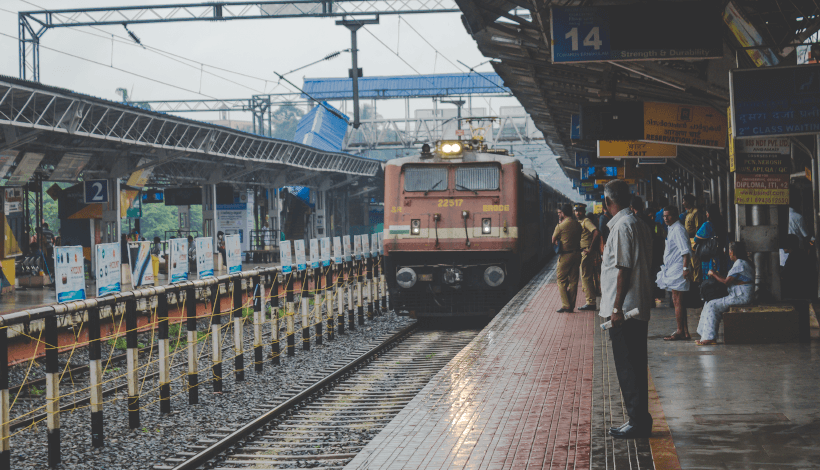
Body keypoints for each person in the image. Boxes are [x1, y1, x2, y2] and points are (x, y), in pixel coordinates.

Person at [599, 179, 654, 439]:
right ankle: (640, 418)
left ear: (608, 202)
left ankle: (637, 421)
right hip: (637, 306)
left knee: (628, 366)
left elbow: (624, 269)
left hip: (626, 312)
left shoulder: (622, 227)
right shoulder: (638, 224)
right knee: (636, 364)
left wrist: (617, 308)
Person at [696, 241, 754, 346]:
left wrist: (713, 273)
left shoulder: (740, 263)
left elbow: (726, 281)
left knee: (713, 305)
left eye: (729, 251)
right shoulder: (742, 262)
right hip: (738, 294)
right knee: (708, 302)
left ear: (732, 252)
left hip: (741, 296)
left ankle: (709, 337)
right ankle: (704, 334)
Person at [657, 205, 693, 341]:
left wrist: (685, 269)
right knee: (679, 301)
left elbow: (685, 250)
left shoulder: (678, 229)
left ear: (676, 215)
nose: (666, 218)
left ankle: (680, 331)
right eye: (664, 216)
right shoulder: (672, 228)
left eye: (669, 215)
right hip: (673, 268)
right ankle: (684, 331)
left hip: (678, 269)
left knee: (677, 301)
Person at [552, 203, 582, 313]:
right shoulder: (578, 224)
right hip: (577, 254)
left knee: (561, 279)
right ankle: (572, 305)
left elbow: (553, 240)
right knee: (574, 280)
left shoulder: (560, 226)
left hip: (565, 255)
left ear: (563, 214)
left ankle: (565, 304)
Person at [575, 203, 600, 311]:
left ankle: (591, 302)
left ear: (584, 212)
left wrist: (590, 248)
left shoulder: (586, 221)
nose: (577, 213)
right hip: (582, 252)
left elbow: (596, 232)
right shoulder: (579, 222)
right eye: (576, 210)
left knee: (586, 277)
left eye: (580, 211)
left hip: (586, 252)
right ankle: (590, 301)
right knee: (585, 277)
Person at [694, 204, 726, 277]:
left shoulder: (707, 225)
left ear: (709, 214)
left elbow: (696, 239)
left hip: (708, 255)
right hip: (719, 254)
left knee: (709, 276)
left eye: (707, 212)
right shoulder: (722, 224)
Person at [781, 234, 814, 300]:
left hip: (796, 293)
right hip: (804, 291)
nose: (782, 247)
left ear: (789, 245)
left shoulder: (792, 257)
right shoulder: (801, 253)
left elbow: (784, 274)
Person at [683, 194, 703, 284]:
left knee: (696, 264)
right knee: (690, 263)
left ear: (688, 202)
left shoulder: (696, 212)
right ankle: (692, 282)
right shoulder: (688, 213)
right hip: (688, 242)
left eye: (683, 201)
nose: (682, 203)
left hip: (694, 241)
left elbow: (698, 228)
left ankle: (697, 283)